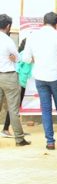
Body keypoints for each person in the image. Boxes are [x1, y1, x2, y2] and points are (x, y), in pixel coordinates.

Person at [21, 12, 57, 150]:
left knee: (46, 110)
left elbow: (26, 59)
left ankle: (50, 142)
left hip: (40, 77)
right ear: (56, 23)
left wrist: (37, 60)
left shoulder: (33, 36)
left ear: (43, 22)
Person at [0, 14, 30, 146]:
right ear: (8, 26)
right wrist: (12, 57)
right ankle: (19, 139)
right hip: (8, 76)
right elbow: (18, 58)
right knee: (13, 108)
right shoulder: (8, 41)